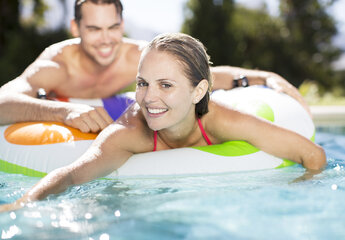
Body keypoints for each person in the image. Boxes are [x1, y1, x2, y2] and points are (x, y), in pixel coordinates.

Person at [0, 32, 326, 212]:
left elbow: (314, 156)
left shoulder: (224, 120)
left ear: (199, 91)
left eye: (165, 85)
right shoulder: (131, 131)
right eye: (142, 83)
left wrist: (290, 200)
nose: (149, 97)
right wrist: (21, 204)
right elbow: (71, 175)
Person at [0, 0, 309, 134]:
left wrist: (261, 76)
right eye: (94, 29)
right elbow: (3, 101)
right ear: (75, 28)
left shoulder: (138, 55)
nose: (106, 40)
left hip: (115, 106)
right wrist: (64, 112)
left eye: (113, 27)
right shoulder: (57, 64)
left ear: (122, 25)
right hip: (68, 107)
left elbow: (195, 76)